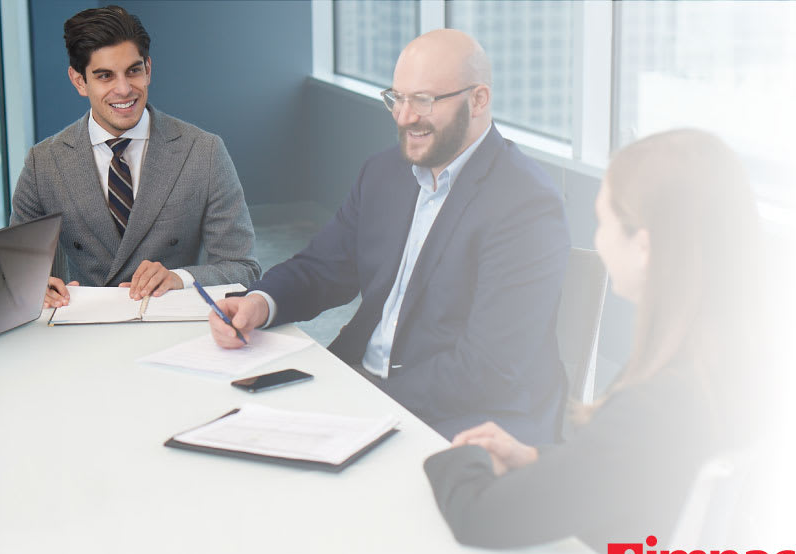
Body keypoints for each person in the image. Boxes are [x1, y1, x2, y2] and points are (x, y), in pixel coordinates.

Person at [208, 30, 569, 442]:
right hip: (363, 383)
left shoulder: (525, 204)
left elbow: (488, 368)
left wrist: (360, 397)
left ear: (478, 100)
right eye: (397, 98)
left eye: (424, 100)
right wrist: (259, 302)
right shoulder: (384, 172)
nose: (404, 116)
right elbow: (324, 267)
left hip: (467, 416)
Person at [423, 129, 765, 553]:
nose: (598, 238)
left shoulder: (653, 405)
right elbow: (610, 468)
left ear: (643, 247)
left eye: (602, 222)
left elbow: (481, 517)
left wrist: (459, 456)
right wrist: (534, 459)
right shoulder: (723, 362)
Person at [11, 5, 259, 306]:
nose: (124, 89)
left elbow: (244, 269)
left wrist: (179, 278)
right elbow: (18, 273)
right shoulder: (43, 163)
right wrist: (37, 287)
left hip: (170, 329)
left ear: (149, 69)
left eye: (134, 71)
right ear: (79, 82)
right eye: (105, 76)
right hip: (84, 332)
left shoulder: (204, 152)